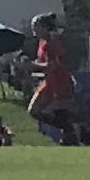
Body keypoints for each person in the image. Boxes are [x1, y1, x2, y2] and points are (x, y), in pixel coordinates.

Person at [25, 14, 77, 144]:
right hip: (48, 82)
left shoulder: (52, 43)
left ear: (44, 27)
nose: (33, 29)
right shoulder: (42, 43)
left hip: (60, 82)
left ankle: (69, 134)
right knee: (33, 110)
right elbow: (42, 63)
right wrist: (26, 66)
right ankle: (69, 130)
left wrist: (32, 65)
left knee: (61, 113)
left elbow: (53, 65)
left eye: (35, 26)